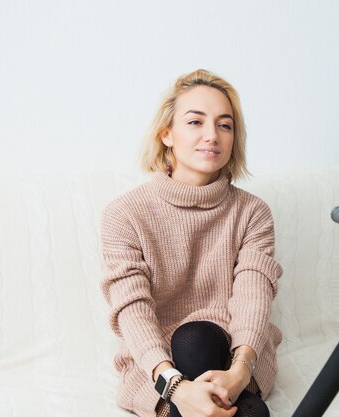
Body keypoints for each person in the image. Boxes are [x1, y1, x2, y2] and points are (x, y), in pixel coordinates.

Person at [100, 69, 282, 417]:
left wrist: (239, 373)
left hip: (237, 356)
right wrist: (176, 387)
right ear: (167, 134)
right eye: (196, 122)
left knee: (199, 338)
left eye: (225, 125)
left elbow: (253, 297)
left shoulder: (252, 212)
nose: (212, 135)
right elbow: (132, 310)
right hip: (156, 364)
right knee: (249, 411)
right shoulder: (124, 214)